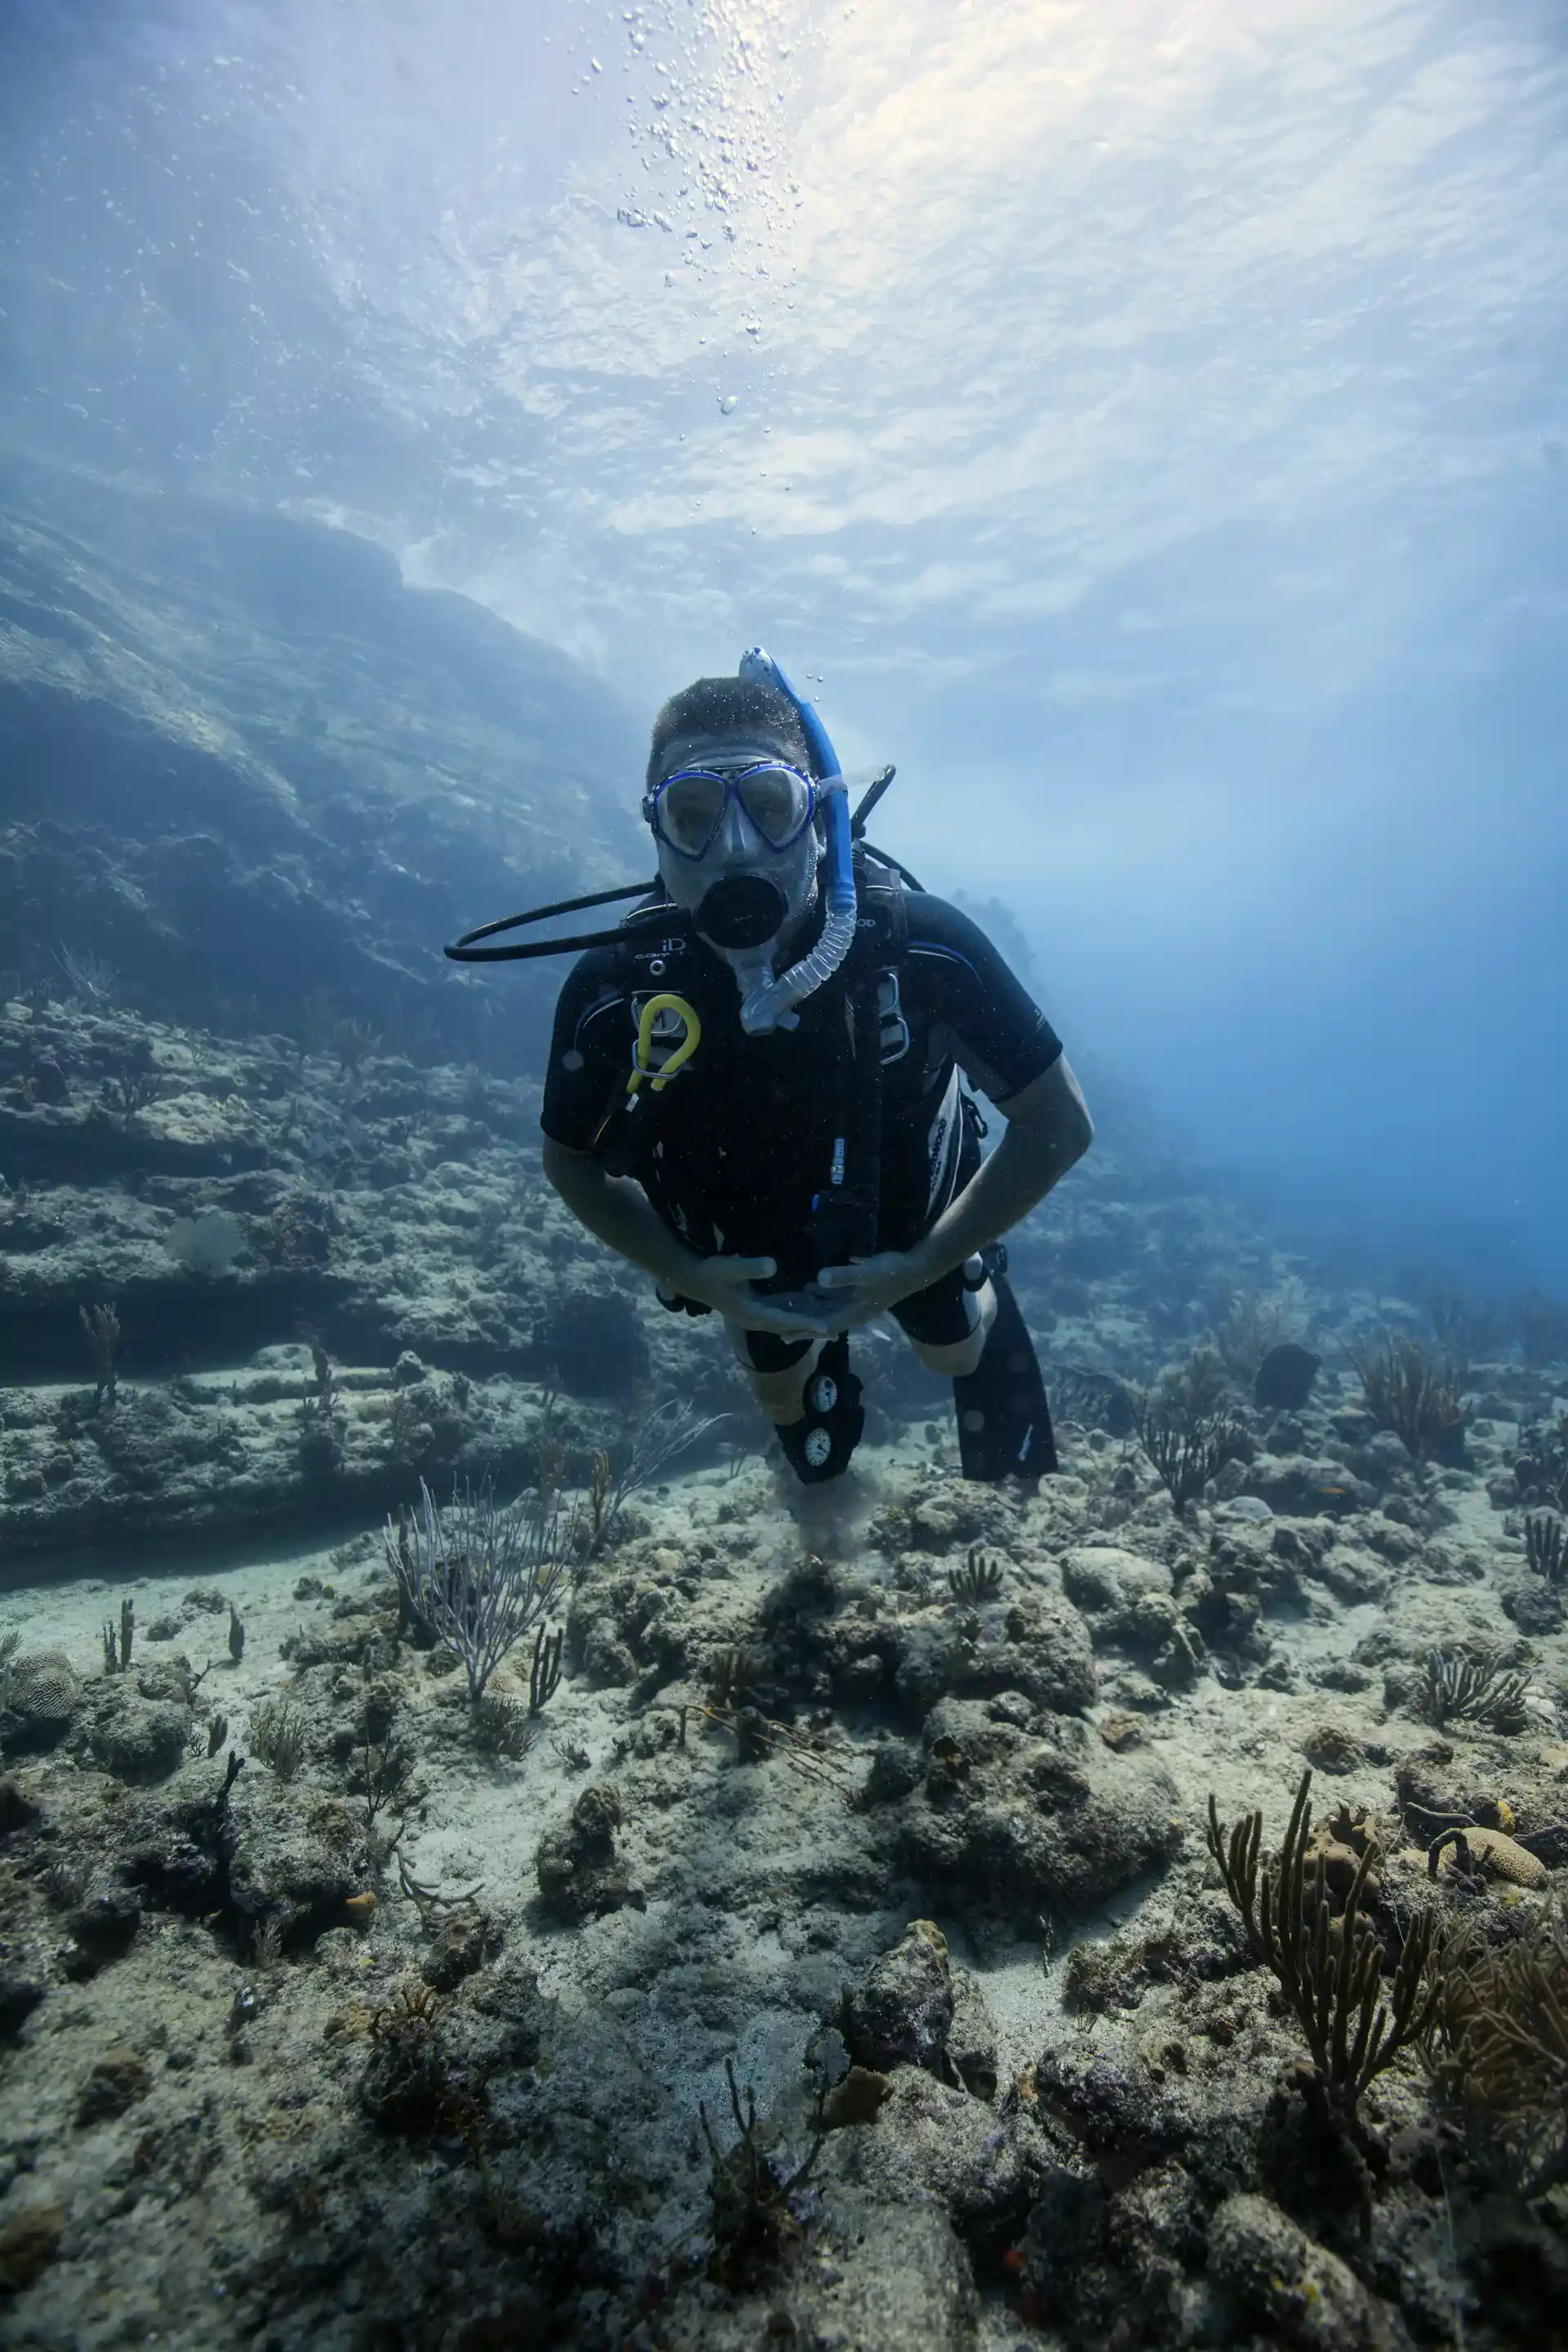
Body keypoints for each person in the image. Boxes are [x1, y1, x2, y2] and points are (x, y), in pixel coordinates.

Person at [536, 653, 1093, 1484]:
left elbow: (1059, 1122)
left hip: (913, 1222)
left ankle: (972, 1284)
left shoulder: (922, 949)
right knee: (781, 1397)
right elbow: (569, 1159)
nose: (733, 850)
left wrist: (927, 1262)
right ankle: (810, 1393)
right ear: (655, 831)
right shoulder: (620, 986)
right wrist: (690, 1274)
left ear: (821, 815)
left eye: (769, 807)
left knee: (953, 1351)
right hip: (745, 1242)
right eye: (693, 814)